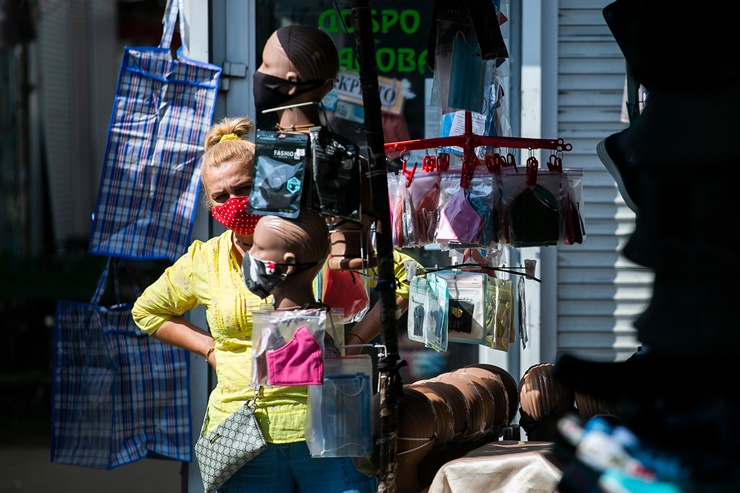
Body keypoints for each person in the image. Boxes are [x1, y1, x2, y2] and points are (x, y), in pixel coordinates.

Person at [132, 114, 377, 491]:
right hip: (244, 428)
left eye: (243, 188)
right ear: (209, 206)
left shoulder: (310, 237)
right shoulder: (206, 259)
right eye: (220, 196)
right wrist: (210, 349)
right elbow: (147, 311)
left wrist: (356, 343)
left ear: (266, 183)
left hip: (325, 424)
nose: (234, 202)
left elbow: (403, 277)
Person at [253, 24, 376, 272]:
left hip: (320, 281)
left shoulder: (341, 159)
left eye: (266, 65)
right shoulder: (345, 157)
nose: (258, 72)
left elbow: (350, 250)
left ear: (291, 82)